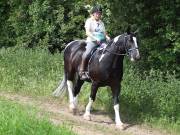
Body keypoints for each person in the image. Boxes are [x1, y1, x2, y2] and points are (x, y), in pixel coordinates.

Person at [79, 5, 110, 79]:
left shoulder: (101, 23)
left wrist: (107, 37)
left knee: (108, 52)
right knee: (87, 53)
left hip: (102, 41)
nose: (98, 15)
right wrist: (95, 38)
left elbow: (104, 32)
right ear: (93, 13)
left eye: (100, 13)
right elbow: (87, 32)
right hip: (92, 41)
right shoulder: (89, 21)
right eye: (97, 13)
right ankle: (82, 71)